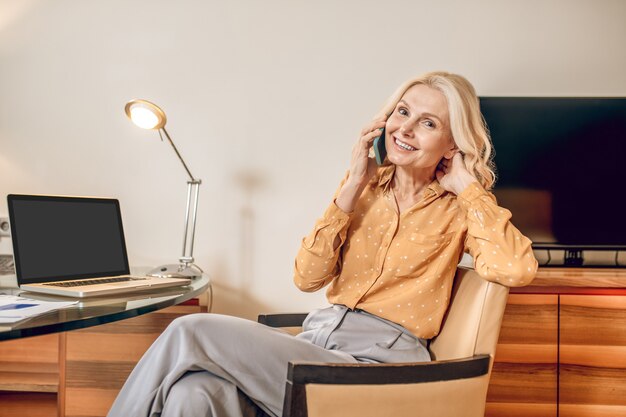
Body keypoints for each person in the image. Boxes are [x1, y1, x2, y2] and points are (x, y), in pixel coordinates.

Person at [107, 71, 538, 417]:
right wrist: (351, 186)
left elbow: (515, 268)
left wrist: (466, 186)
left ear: (452, 142)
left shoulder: (460, 208)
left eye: (428, 123)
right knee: (194, 392)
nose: (405, 128)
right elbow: (306, 278)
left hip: (377, 373)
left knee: (188, 330)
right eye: (402, 112)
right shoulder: (366, 188)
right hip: (317, 349)